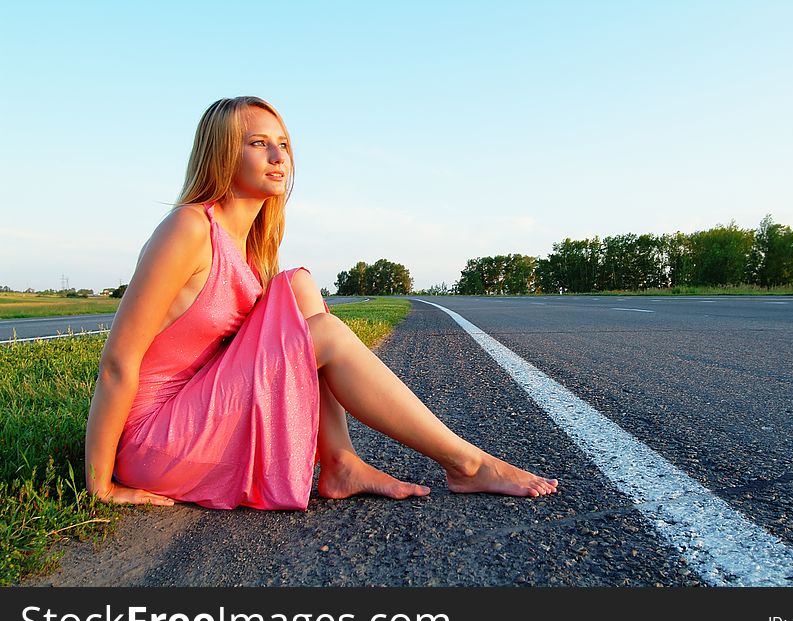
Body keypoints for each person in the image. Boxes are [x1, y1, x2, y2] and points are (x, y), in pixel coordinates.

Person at [84, 95, 558, 509]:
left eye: (283, 144)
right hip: (155, 442)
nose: (278, 156)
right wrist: (100, 483)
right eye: (257, 143)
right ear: (222, 153)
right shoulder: (189, 229)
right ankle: (466, 463)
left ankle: (339, 462)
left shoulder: (251, 253)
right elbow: (118, 362)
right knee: (325, 334)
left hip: (199, 407)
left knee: (297, 286)